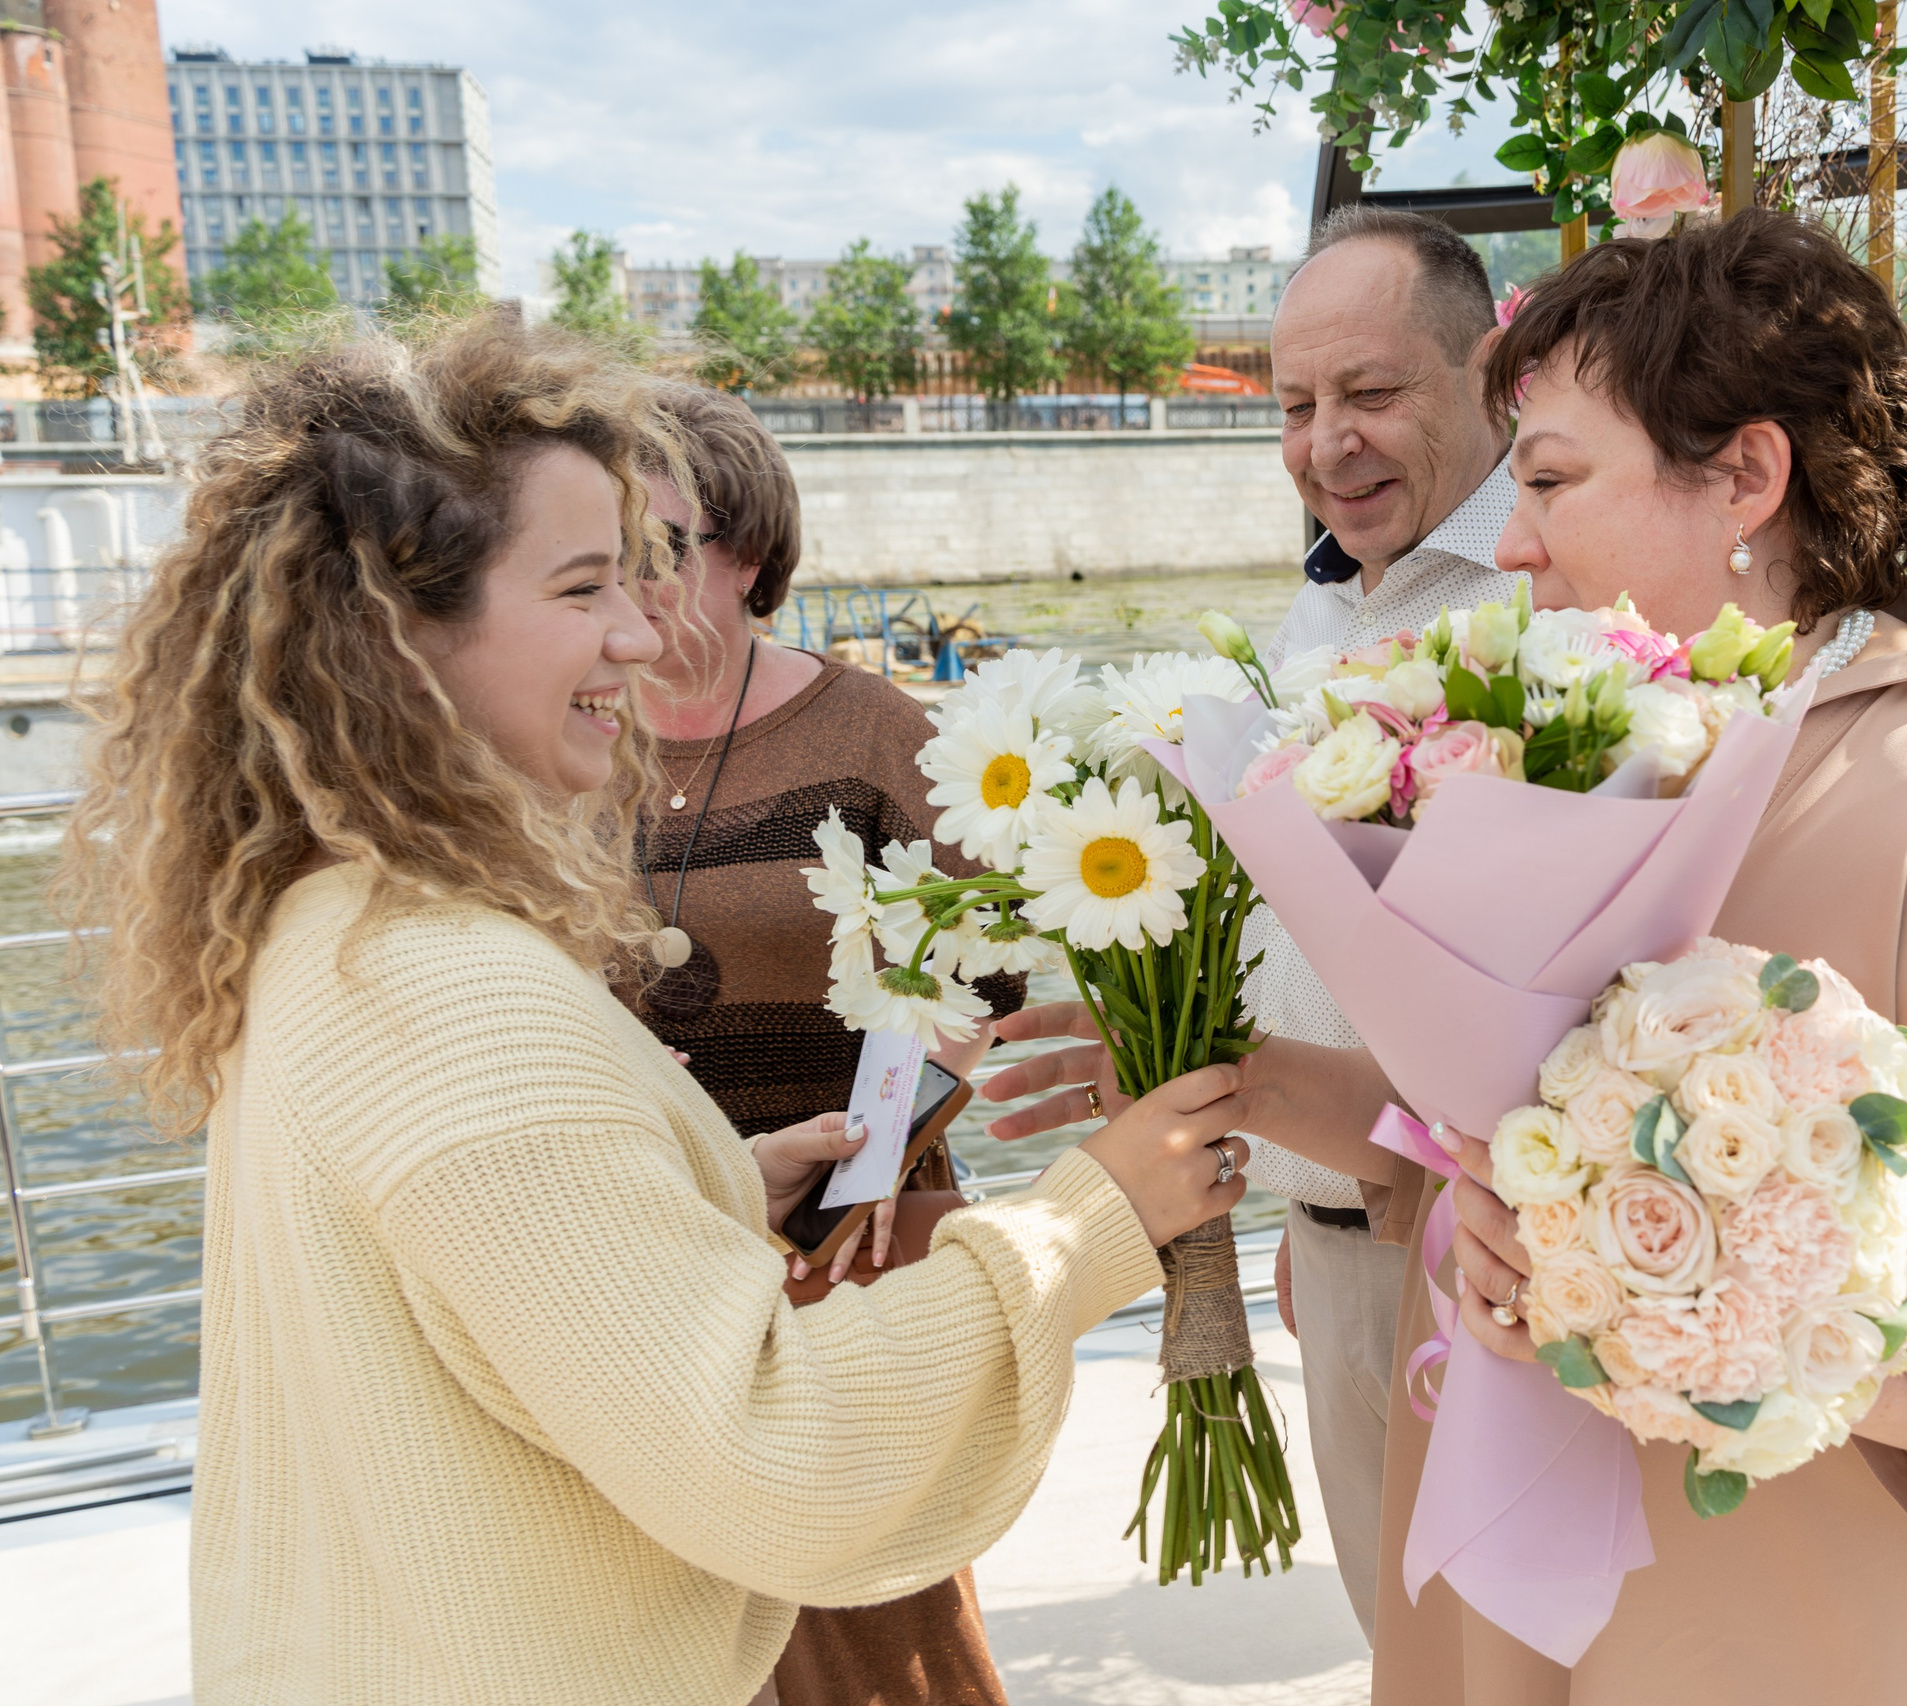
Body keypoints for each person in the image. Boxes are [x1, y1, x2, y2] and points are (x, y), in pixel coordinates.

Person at [65, 320, 1249, 1706]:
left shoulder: (335, 923)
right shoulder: (456, 995)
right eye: (583, 587)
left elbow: (472, 1267)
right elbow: (779, 1454)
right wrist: (1090, 1216)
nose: (641, 629)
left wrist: (712, 1186)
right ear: (398, 633)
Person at [1367, 212, 1907, 1700]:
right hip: (1515, 1609)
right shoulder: (1586, 773)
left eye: (1554, 480)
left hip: (1799, 1634)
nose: (1508, 543)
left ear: (1749, 480)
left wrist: (1680, 1278)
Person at [981, 203, 1521, 1645]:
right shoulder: (1329, 602)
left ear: (1492, 371)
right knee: (1407, 1652)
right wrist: (1303, 1193)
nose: (1323, 443)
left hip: (1484, 1258)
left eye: (1372, 393)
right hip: (1337, 1243)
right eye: (1295, 404)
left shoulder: (1550, 596)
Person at [623, 385, 1025, 1706]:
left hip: (854, 1242)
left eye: (663, 541)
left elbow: (989, 980)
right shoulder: (563, 743)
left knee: (880, 1632)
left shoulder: (878, 737)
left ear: (750, 551)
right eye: (606, 546)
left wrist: (859, 1180)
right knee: (678, 1621)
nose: (634, 579)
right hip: (654, 1252)